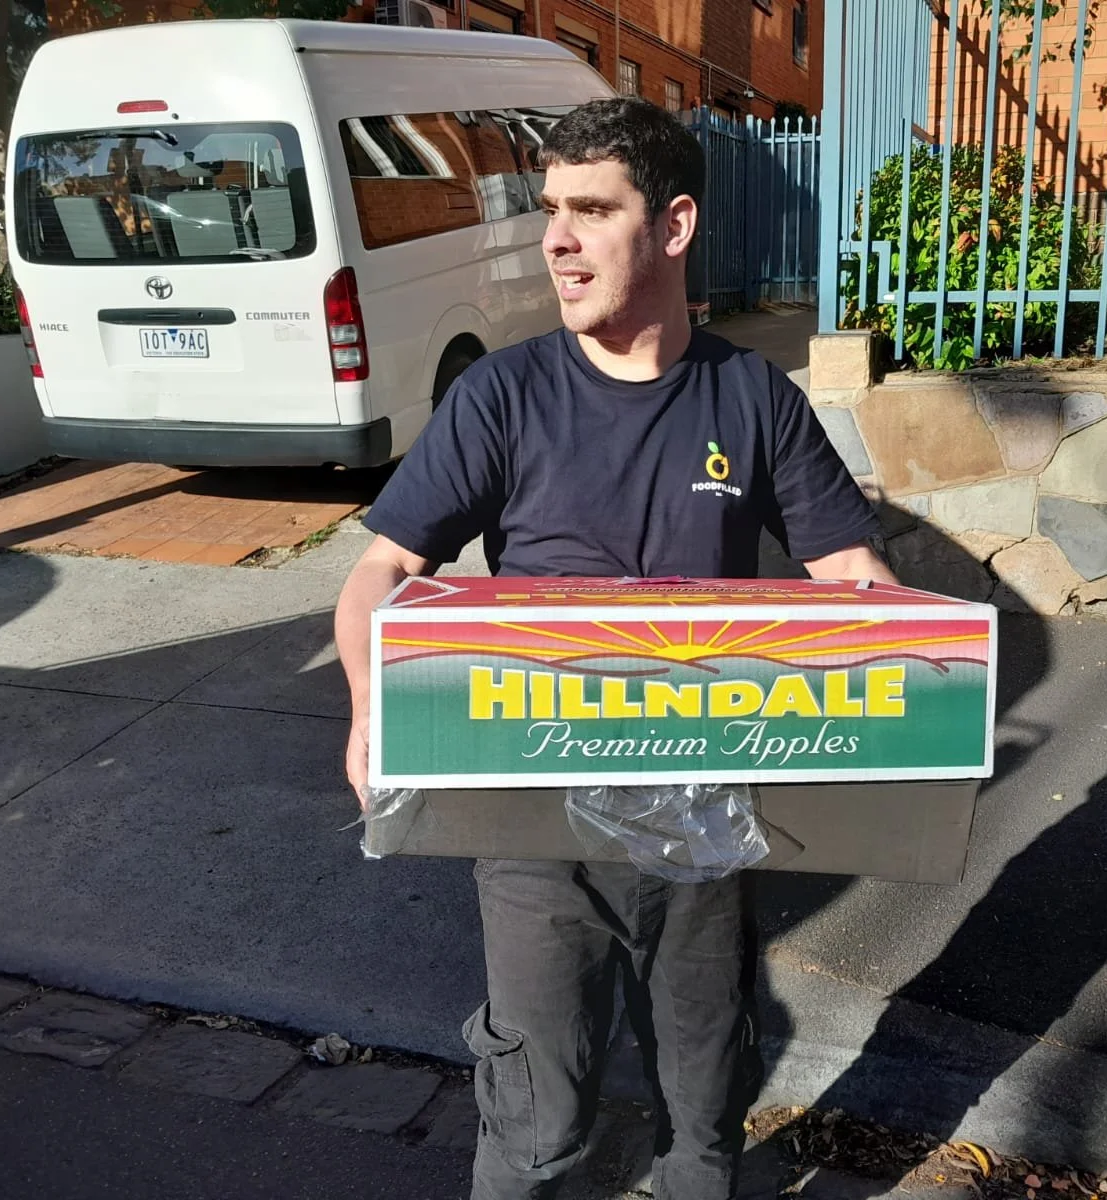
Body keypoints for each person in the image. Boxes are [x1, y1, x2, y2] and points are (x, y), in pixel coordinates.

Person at [334, 97, 897, 1200]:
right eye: (551, 210)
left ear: (673, 228)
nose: (556, 238)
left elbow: (854, 583)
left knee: (702, 1109)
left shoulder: (752, 396)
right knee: (538, 1124)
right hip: (533, 809)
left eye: (591, 209)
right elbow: (381, 573)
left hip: (706, 810)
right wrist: (369, 709)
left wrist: (917, 680)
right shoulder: (502, 395)